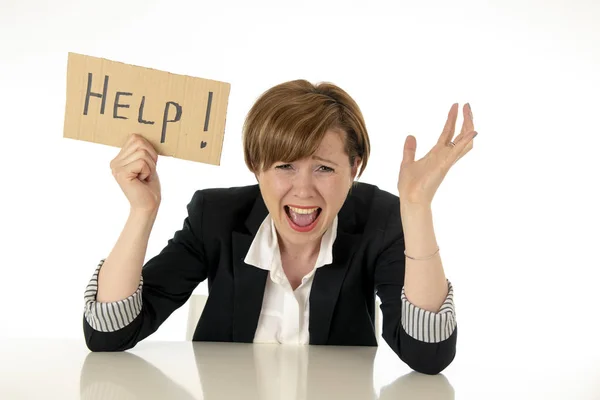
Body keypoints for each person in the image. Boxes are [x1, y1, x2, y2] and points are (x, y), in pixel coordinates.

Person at [82, 79, 477, 375]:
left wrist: (416, 206)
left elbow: (429, 355)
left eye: (324, 168)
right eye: (284, 166)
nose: (303, 190)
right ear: (256, 166)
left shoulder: (381, 220)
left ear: (354, 168)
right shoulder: (215, 216)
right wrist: (142, 210)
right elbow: (108, 334)